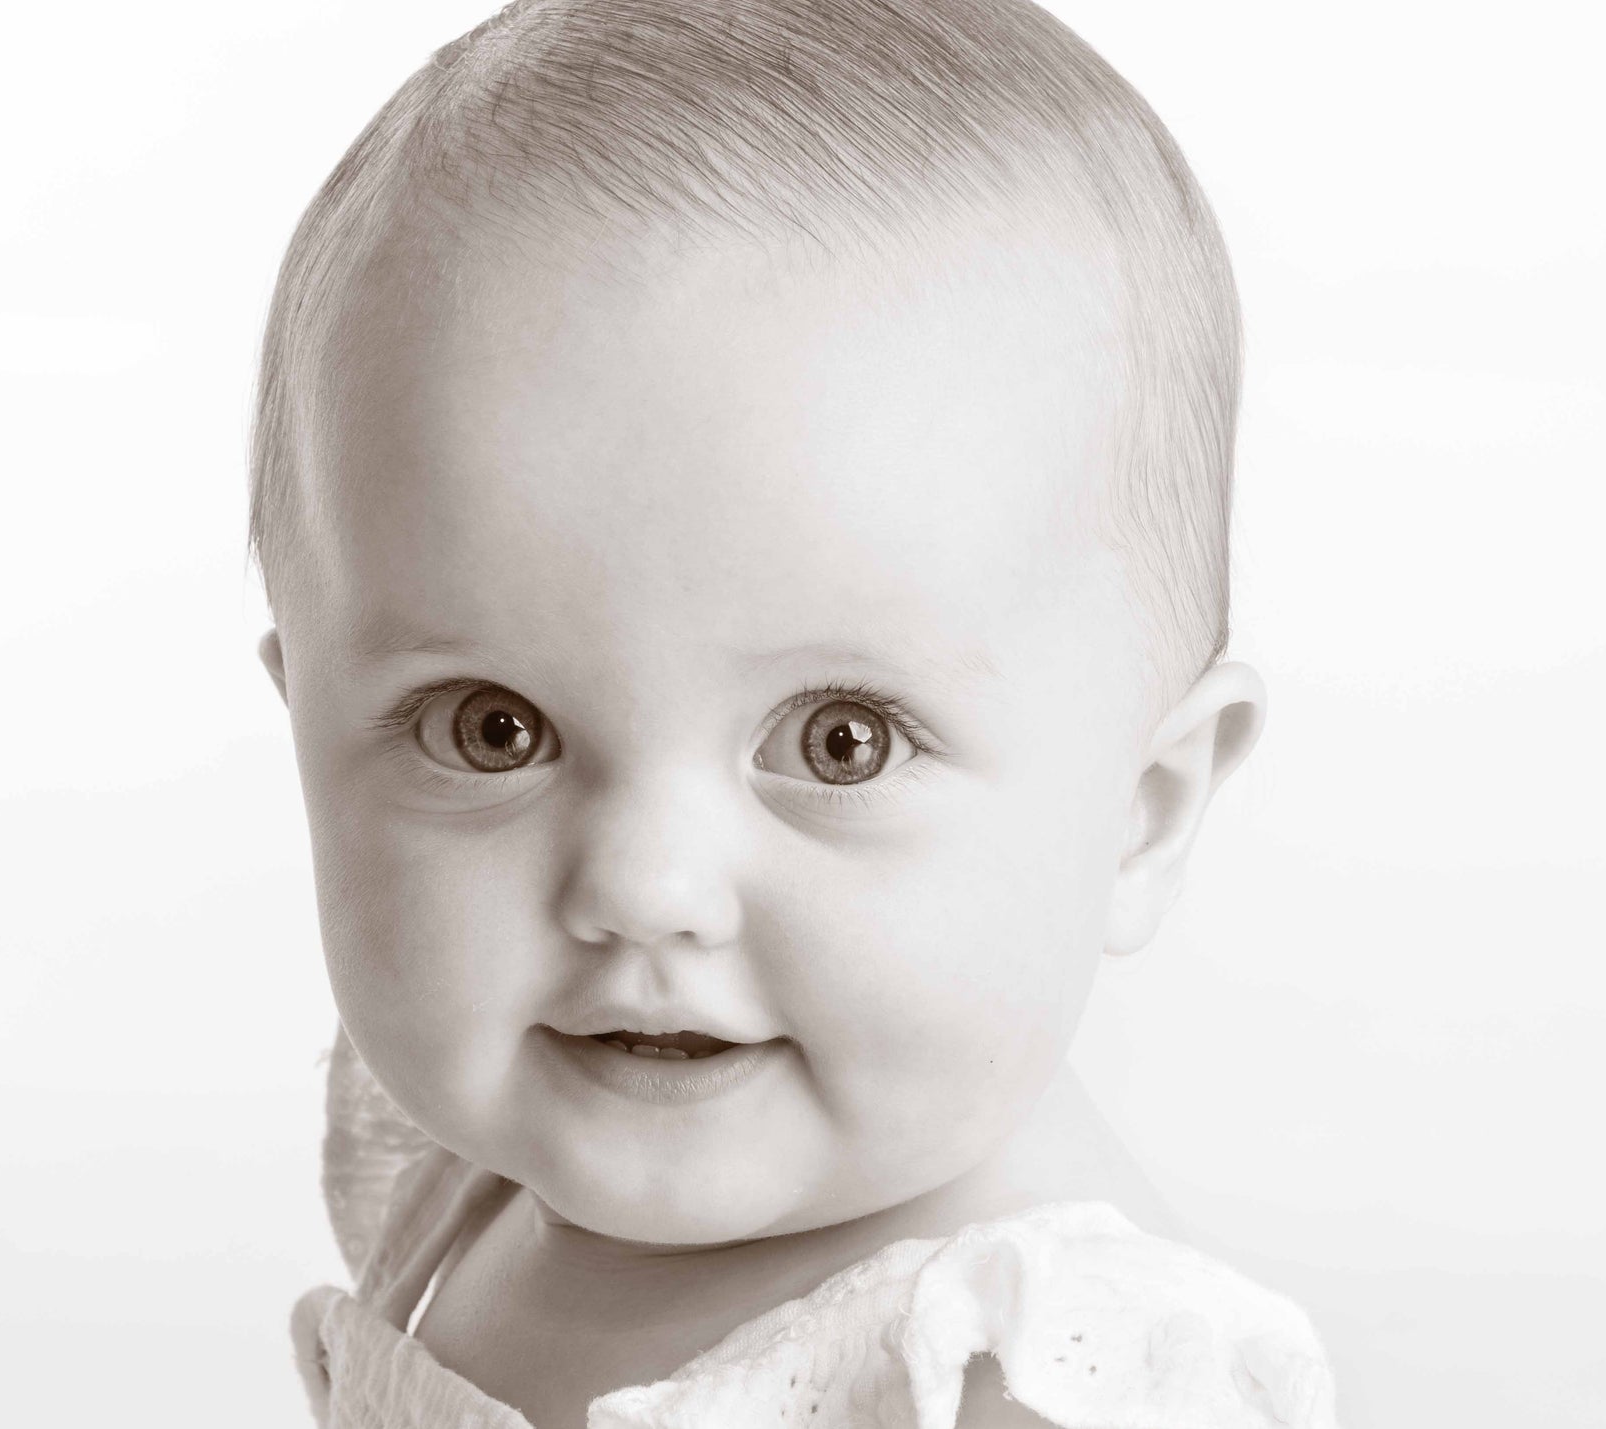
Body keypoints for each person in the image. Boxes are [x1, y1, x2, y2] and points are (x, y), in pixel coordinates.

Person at [252, 1, 1339, 1424]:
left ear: (1143, 811)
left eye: (841, 741)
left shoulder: (1020, 1369)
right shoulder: (476, 1159)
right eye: (491, 730)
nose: (645, 887)